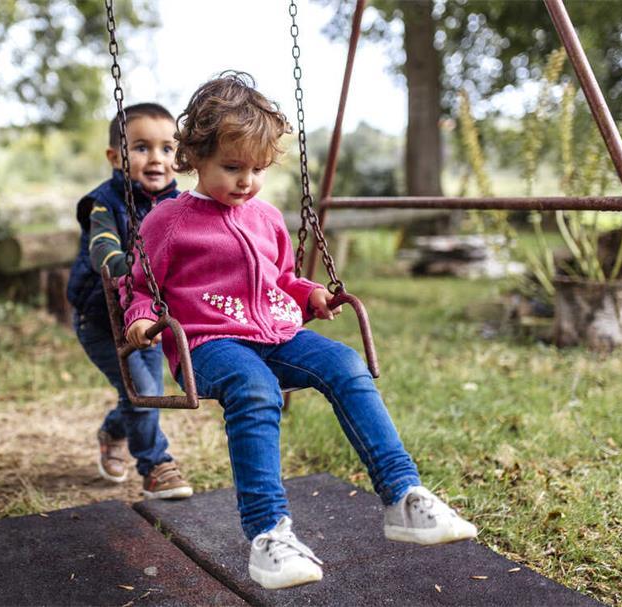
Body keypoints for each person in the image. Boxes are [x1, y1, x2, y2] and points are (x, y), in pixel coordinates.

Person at [123, 73, 477, 590]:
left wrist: (309, 293)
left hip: (275, 333)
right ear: (195, 157)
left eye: (257, 169)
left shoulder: (265, 217)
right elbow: (139, 286)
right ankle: (269, 535)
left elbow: (281, 278)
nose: (246, 181)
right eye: (232, 167)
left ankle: (404, 496)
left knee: (344, 364)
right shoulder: (169, 220)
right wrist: (138, 318)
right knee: (255, 388)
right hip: (207, 342)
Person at [66, 102, 192, 500]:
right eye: (141, 148)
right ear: (116, 157)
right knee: (142, 391)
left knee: (145, 391)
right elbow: (105, 253)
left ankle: (112, 431)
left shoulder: (180, 207)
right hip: (101, 320)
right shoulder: (104, 203)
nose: (156, 158)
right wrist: (143, 270)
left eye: (167, 149)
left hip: (147, 321)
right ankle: (156, 466)